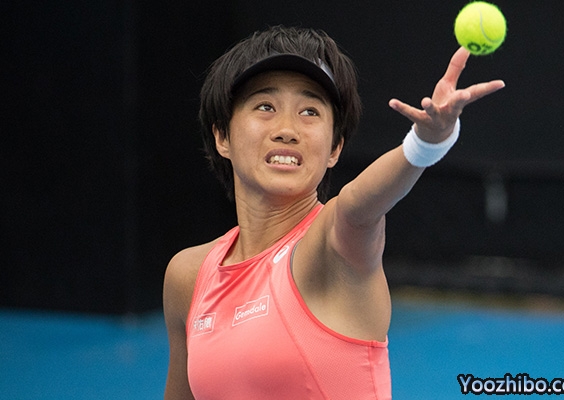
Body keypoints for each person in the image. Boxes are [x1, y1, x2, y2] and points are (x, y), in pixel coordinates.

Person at [163, 25, 504, 399]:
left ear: (335, 148)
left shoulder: (332, 246)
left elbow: (357, 206)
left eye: (309, 111)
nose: (287, 130)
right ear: (222, 136)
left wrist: (424, 144)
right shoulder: (188, 276)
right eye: (265, 107)